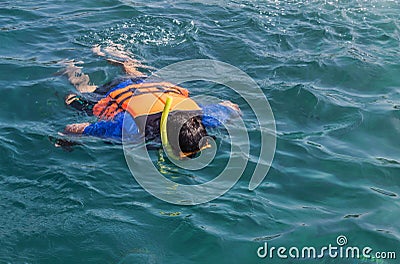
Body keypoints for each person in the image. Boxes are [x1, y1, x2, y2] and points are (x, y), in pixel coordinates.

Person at [62, 44, 240, 158]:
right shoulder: (130, 128)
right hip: (119, 90)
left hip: (151, 85)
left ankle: (113, 53)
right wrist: (65, 140)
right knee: (79, 94)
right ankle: (68, 65)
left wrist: (232, 113)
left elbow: (230, 107)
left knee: (135, 74)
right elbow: (74, 128)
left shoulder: (203, 117)